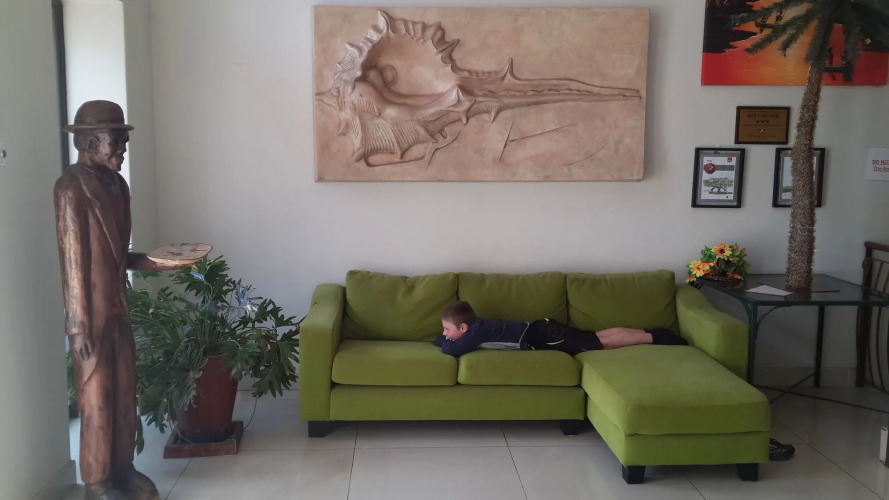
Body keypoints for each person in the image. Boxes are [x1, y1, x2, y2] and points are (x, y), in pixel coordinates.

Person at [55, 100, 194, 500]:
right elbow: (73, 262)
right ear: (88, 142)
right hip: (90, 315)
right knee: (95, 397)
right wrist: (77, 325)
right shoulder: (70, 188)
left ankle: (123, 468)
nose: (122, 149)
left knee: (123, 392)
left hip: (118, 307)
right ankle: (97, 482)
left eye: (123, 140)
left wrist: (158, 263)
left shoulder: (118, 187)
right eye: (115, 140)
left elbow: (118, 257)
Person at [433, 301, 687, 358]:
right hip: (544, 329)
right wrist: (444, 338)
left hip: (548, 337)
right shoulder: (477, 327)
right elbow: (443, 342)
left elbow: (450, 351)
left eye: (447, 329)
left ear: (464, 327)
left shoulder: (475, 333)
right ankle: (648, 332)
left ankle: (654, 337)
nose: (444, 333)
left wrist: (445, 342)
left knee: (601, 343)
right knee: (597, 336)